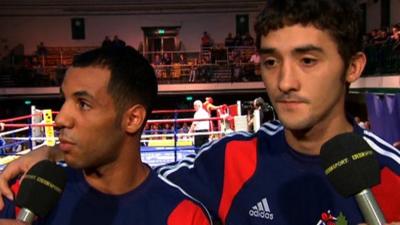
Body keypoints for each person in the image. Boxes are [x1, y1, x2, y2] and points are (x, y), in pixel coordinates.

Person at [1, 1, 400, 224]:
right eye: (272, 62)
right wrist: (56, 153)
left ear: (353, 67)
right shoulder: (226, 159)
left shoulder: (395, 174)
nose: (285, 82)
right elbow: (132, 181)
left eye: (308, 60)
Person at [0, 46, 212, 225]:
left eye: (83, 104)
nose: (61, 119)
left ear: (132, 119)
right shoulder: (31, 187)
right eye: (63, 101)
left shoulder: (183, 216)